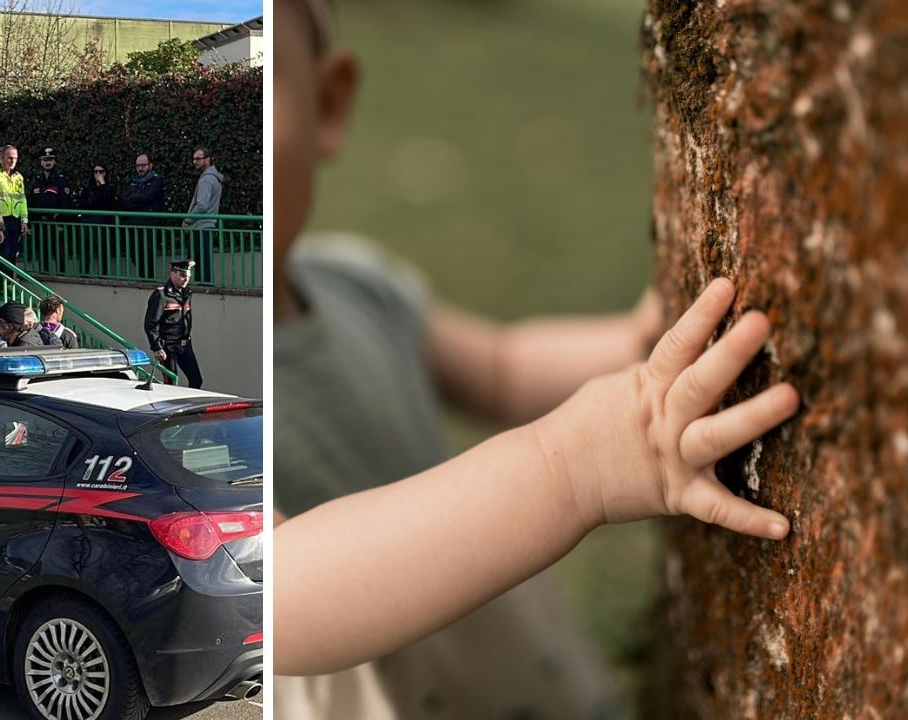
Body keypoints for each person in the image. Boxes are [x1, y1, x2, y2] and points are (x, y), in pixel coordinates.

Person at [272, 3, 798, 720]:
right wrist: (575, 467)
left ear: (328, 102)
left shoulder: (357, 283)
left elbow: (500, 367)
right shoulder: (201, 384)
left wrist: (637, 348)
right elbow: (279, 594)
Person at [144, 259, 202, 388]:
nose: (186, 279)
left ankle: (189, 406)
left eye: (188, 276)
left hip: (185, 344)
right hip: (168, 347)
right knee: (170, 384)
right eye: (182, 275)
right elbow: (151, 323)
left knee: (196, 380)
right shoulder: (161, 295)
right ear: (172, 274)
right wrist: (157, 347)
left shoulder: (187, 293)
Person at [181, 147, 224, 283]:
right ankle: (204, 285)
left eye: (198, 159)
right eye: (194, 159)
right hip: (206, 225)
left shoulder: (206, 180)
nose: (195, 162)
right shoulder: (213, 178)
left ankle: (202, 287)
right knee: (202, 261)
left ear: (208, 160)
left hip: (200, 226)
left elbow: (202, 205)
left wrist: (187, 220)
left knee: (197, 262)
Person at [120, 154, 166, 280]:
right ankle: (143, 277)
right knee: (134, 254)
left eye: (143, 165)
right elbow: (124, 199)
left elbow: (148, 197)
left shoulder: (156, 180)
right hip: (133, 225)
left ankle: (148, 280)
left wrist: (134, 199)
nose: (140, 168)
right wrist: (138, 199)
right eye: (138, 166)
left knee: (147, 255)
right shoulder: (132, 181)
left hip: (148, 225)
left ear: (150, 165)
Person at [0, 145, 29, 269]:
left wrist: (24, 220)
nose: (13, 161)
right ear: (1, 158)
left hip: (15, 219)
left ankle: (8, 285)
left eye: (15, 158)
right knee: (1, 253)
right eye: (9, 158)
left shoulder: (19, 177)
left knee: (13, 253)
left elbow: (22, 199)